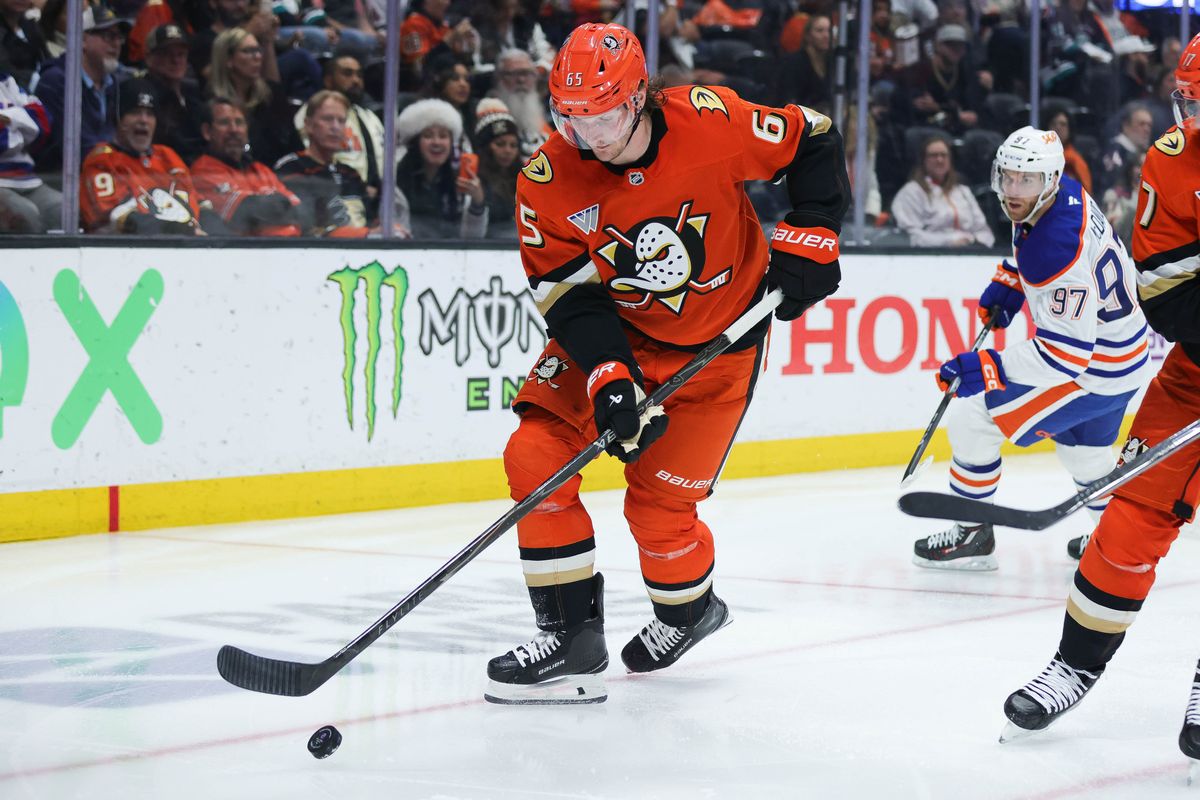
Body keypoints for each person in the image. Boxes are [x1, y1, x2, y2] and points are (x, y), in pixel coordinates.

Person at [484, 23, 848, 704]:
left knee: (659, 508)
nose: (589, 137)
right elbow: (568, 294)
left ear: (640, 97)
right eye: (571, 118)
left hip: (721, 345)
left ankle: (689, 612)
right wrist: (609, 375)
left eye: (603, 117)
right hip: (615, 333)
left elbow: (815, 137)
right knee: (534, 456)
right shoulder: (547, 180)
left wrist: (816, 228)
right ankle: (570, 636)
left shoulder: (710, 121)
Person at [998, 34, 1200, 758]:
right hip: (1194, 373)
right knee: (1131, 518)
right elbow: (1162, 285)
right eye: (1190, 102)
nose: (1193, 118)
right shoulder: (1173, 161)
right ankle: (1075, 665)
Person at [911, 126, 1151, 571]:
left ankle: (972, 532)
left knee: (973, 418)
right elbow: (1042, 244)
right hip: (1127, 355)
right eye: (1008, 176)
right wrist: (1012, 278)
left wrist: (986, 367)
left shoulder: (1054, 248)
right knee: (1084, 452)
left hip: (1093, 368)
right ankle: (1117, 541)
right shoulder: (1065, 193)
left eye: (1027, 179)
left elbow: (1064, 356)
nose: (1014, 190)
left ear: (1050, 178)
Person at [79, 78, 201, 234]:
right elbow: (122, 219)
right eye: (135, 112)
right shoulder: (102, 161)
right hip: (125, 248)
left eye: (150, 114)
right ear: (118, 118)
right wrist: (182, 231)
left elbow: (195, 206)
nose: (144, 120)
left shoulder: (167, 156)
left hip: (184, 244)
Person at [35, 5, 131, 167]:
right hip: (60, 175)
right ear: (83, 40)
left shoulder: (113, 83)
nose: (116, 44)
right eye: (108, 36)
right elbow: (76, 145)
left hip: (106, 169)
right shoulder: (56, 81)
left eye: (119, 37)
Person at [191, 97, 302, 236]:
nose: (234, 130)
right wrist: (279, 203)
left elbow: (302, 211)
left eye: (239, 122)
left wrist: (267, 205)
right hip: (247, 248)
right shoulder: (203, 170)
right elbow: (246, 211)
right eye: (224, 122)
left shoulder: (261, 170)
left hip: (293, 245)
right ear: (207, 131)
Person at [274, 89, 370, 237]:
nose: (335, 127)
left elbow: (372, 219)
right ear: (308, 125)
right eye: (328, 119)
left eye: (341, 121)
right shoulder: (291, 168)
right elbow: (309, 229)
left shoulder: (350, 173)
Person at [293, 55, 385, 206]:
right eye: (347, 74)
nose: (356, 80)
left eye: (359, 75)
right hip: (337, 196)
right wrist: (358, 188)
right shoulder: (312, 112)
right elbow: (313, 159)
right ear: (328, 80)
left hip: (379, 200)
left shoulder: (370, 117)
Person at [208, 27, 302, 168]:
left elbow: (294, 145)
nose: (257, 57)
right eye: (248, 51)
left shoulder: (272, 94)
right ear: (228, 59)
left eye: (258, 50)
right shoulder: (211, 103)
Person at [394, 97, 486, 239]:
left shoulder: (459, 183)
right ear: (415, 142)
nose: (436, 142)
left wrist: (477, 203)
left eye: (443, 136)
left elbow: (472, 239)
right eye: (428, 136)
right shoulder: (396, 183)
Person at [891, 134, 993, 247]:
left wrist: (974, 242)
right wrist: (949, 242)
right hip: (932, 253)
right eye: (933, 155)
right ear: (924, 160)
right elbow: (911, 236)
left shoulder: (963, 191)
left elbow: (983, 231)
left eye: (944, 155)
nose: (940, 160)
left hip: (970, 252)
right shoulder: (911, 192)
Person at [0, 70, 58, 232]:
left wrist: (8, 120)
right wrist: (23, 125)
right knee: (25, 216)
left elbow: (43, 121)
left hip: (28, 180)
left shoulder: (6, 82)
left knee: (62, 211)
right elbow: (2, 142)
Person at [142, 24, 207, 163]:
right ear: (149, 58)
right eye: (167, 54)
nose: (176, 60)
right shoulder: (145, 95)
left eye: (181, 54)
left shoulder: (192, 92)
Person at [471, 99, 520, 238]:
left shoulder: (525, 178)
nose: (508, 150)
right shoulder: (475, 180)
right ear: (485, 146)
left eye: (513, 145)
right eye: (500, 144)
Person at [488, 47, 550, 156]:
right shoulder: (489, 117)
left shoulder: (542, 123)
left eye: (527, 73)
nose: (521, 80)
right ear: (499, 77)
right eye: (514, 74)